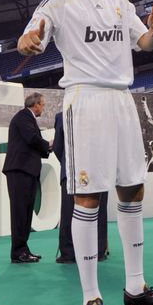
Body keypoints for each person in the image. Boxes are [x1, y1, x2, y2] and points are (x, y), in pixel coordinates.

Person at [17, 0, 153, 305]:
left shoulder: (119, 3)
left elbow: (144, 42)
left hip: (123, 99)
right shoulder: (57, 4)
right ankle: (91, 297)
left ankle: (136, 287)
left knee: (132, 190)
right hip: (84, 101)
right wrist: (28, 40)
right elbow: (33, 37)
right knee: (87, 197)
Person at [53, 111, 108, 264]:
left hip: (73, 169)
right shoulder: (103, 113)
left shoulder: (63, 115)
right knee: (99, 210)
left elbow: (57, 147)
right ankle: (98, 250)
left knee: (69, 211)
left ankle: (69, 253)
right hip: (99, 169)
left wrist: (65, 161)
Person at [3, 92, 51, 264]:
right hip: (19, 171)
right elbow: (32, 138)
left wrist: (46, 147)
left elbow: (32, 141)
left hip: (26, 171)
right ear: (35, 104)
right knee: (20, 212)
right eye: (42, 105)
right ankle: (18, 252)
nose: (43, 108)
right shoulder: (23, 116)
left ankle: (23, 250)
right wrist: (49, 145)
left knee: (25, 212)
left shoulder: (27, 118)